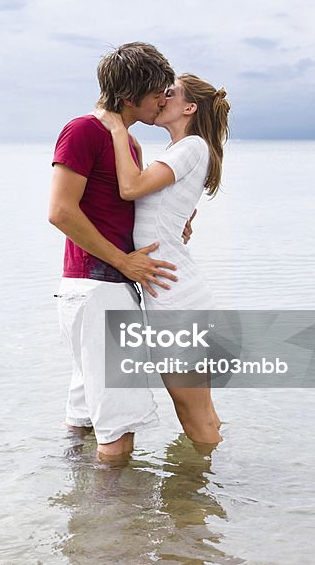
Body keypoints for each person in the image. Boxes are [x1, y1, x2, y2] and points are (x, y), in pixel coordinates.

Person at [49, 42, 185, 462]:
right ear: (130, 98)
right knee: (120, 431)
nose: (164, 99)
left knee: (86, 417)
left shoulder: (129, 143)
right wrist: (124, 260)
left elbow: (130, 206)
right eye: (157, 92)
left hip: (105, 290)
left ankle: (80, 510)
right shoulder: (84, 130)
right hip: (99, 289)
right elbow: (60, 211)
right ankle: (119, 525)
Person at [95, 74, 230, 446]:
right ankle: (212, 484)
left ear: (189, 108)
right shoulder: (184, 150)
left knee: (192, 413)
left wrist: (117, 130)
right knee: (198, 410)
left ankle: (205, 493)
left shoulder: (190, 147)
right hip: (173, 291)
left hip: (176, 297)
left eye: (168, 94)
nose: (159, 97)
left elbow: (130, 187)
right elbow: (162, 212)